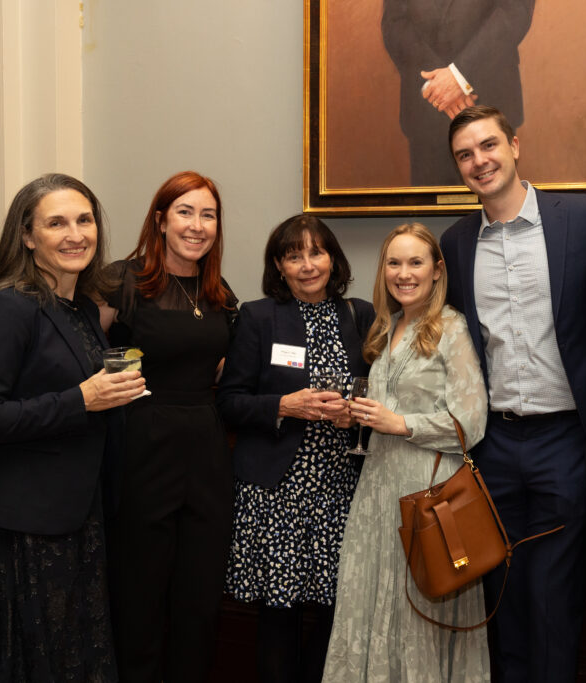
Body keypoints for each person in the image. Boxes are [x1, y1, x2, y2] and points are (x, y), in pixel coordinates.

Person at [438, 105, 586, 681]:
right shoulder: (457, 242)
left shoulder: (584, 219)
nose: (479, 161)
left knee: (554, 594)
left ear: (514, 146)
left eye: (488, 145)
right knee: (503, 591)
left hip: (565, 438)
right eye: (465, 155)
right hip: (492, 444)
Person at [0, 173, 144, 681]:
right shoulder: (10, 307)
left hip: (79, 516)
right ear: (27, 236)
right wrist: (81, 399)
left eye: (84, 221)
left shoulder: (80, 307)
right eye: (56, 223)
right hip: (27, 528)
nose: (75, 235)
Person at [323, 223, 490, 682]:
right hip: (377, 490)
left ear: (437, 270)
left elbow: (471, 424)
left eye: (416, 262)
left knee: (417, 607)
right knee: (372, 601)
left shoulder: (450, 328)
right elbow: (386, 407)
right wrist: (355, 417)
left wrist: (400, 424)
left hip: (427, 492)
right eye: (394, 263)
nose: (404, 273)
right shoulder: (387, 326)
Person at [218, 215, 374, 683]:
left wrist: (355, 414)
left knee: (336, 613)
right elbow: (229, 402)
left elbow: (380, 393)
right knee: (279, 615)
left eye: (316, 253)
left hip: (340, 491)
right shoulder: (259, 317)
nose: (308, 265)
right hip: (277, 492)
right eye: (294, 256)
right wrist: (284, 405)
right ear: (279, 267)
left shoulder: (359, 316)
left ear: (333, 260)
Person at [99, 171, 238, 682]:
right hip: (143, 443)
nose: (197, 225)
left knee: (199, 596)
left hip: (206, 449)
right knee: (140, 593)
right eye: (185, 212)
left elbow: (222, 368)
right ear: (160, 220)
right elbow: (82, 354)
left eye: (208, 215)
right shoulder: (121, 280)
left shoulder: (219, 292)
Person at [381, 0, 535, 185]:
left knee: (495, 199)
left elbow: (515, 12)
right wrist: (437, 84)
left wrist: (460, 75)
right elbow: (394, 25)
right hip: (426, 113)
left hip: (491, 100)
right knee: (430, 199)